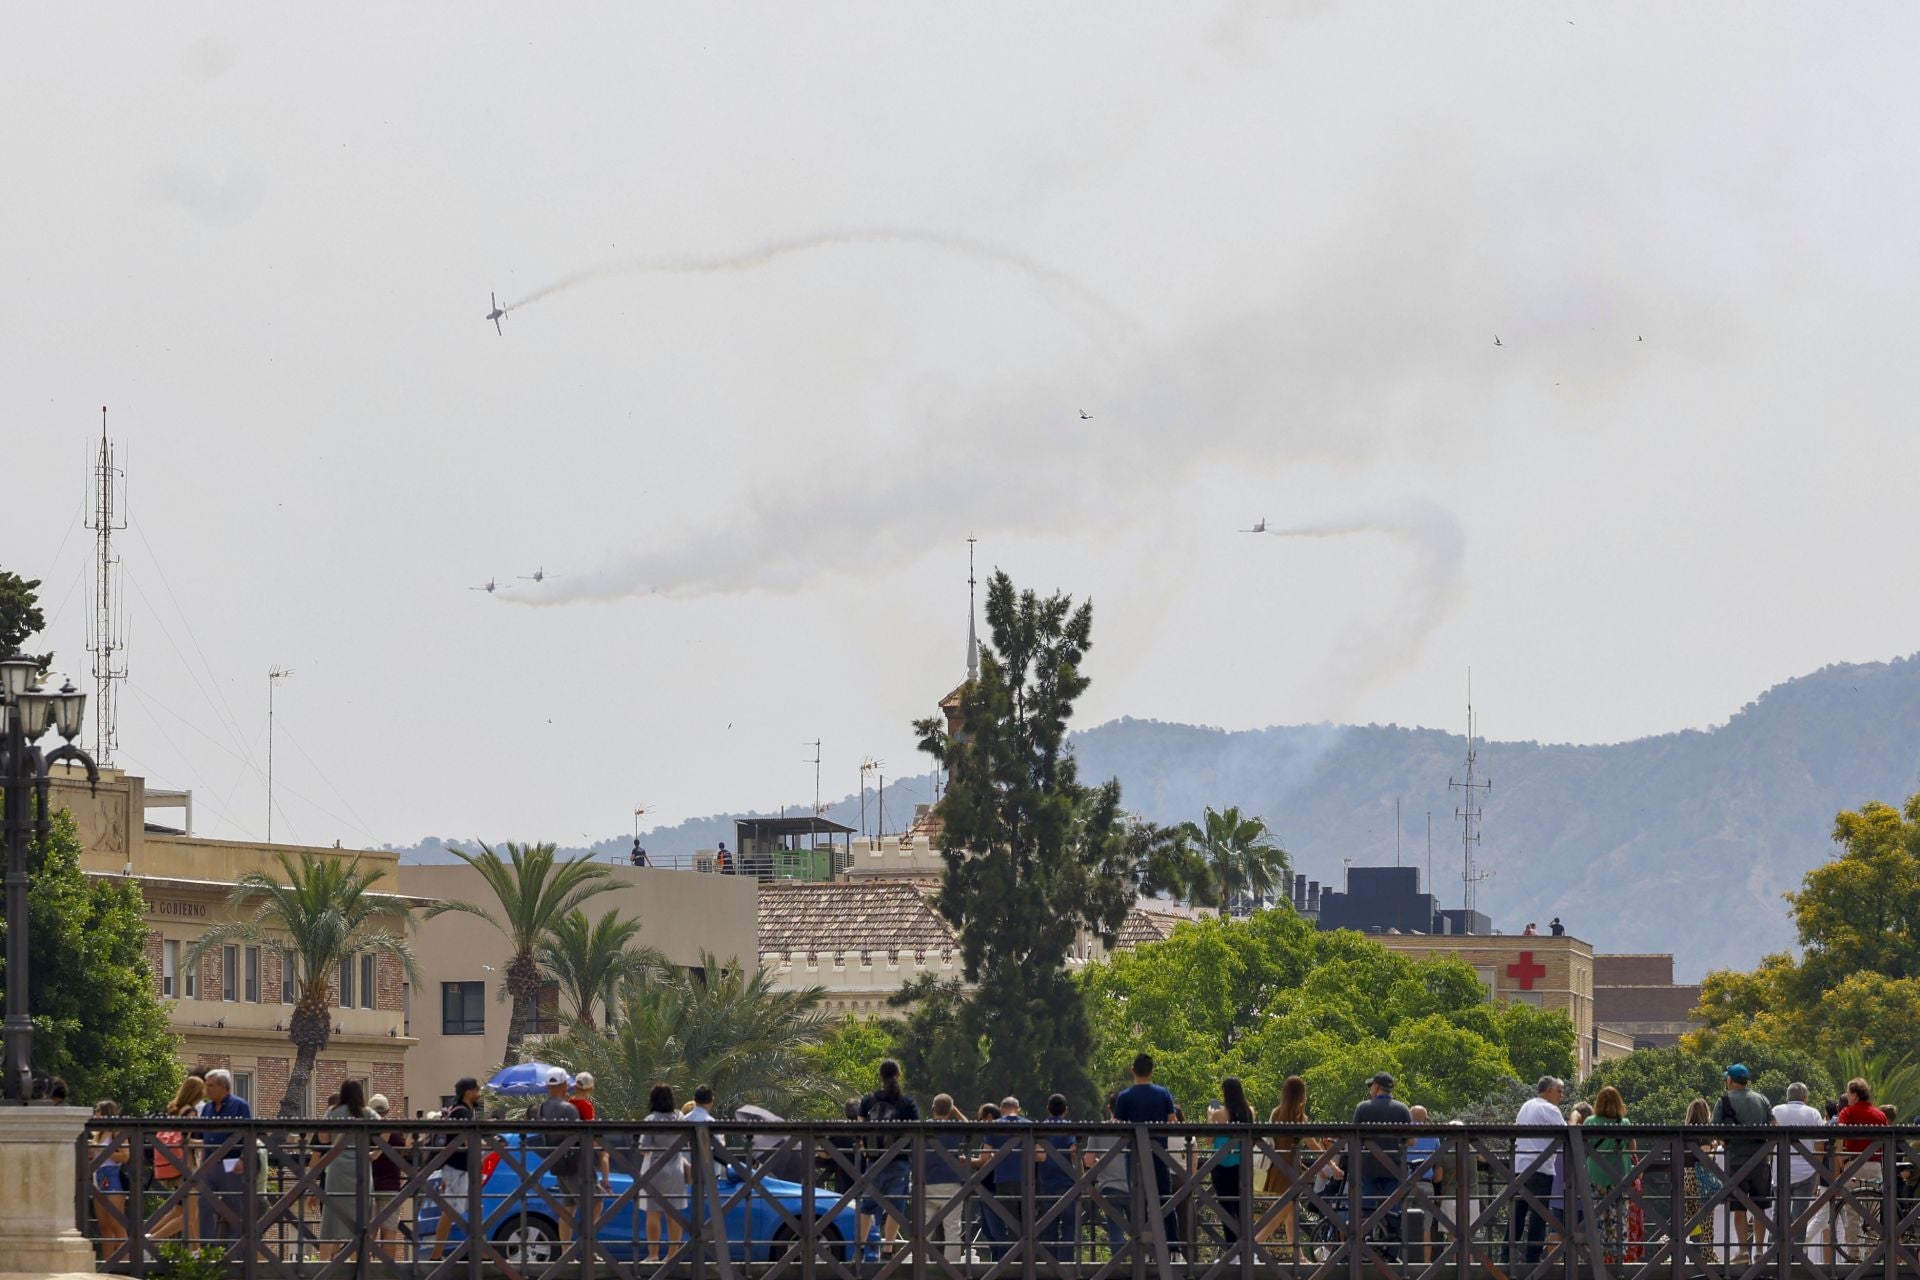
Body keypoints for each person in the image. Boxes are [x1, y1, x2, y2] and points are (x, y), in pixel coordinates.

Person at [1113, 1053, 1182, 1251]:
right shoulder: (1163, 1094)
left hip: (1134, 1156)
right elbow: (1172, 1122)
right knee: (1164, 1201)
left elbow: (1117, 1127)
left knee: (1138, 1203)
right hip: (1158, 1154)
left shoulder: (1124, 1097)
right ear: (1152, 1072)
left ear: (1132, 1070)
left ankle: (1143, 1249)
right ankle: (1173, 1248)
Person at [1257, 1075, 1329, 1250]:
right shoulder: (1299, 1117)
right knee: (1286, 1210)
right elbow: (1312, 1144)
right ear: (1301, 1095)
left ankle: (1297, 1254)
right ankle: (1257, 1241)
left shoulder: (1276, 1113)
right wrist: (1330, 1165)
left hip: (1275, 1166)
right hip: (1290, 1169)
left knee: (1289, 1211)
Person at [857, 1060, 920, 1255]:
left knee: (866, 1206)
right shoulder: (907, 1103)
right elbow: (915, 1131)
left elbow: (859, 1130)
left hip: (874, 1161)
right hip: (900, 1161)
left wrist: (865, 1151)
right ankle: (888, 1249)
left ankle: (860, 1247)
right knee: (896, 1207)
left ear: (880, 1076)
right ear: (899, 1075)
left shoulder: (868, 1101)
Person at [1715, 1064, 1773, 1259]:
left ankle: (1743, 1249)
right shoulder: (1762, 1099)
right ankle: (1758, 1250)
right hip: (1761, 1161)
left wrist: (1728, 1141)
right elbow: (1774, 1126)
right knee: (1760, 1208)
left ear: (1730, 1080)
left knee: (1738, 1208)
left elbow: (1715, 1130)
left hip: (1737, 1161)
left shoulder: (1723, 1101)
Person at [1509, 1075, 1566, 1267]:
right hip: (1540, 1168)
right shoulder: (1550, 1109)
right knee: (1538, 1216)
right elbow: (1566, 1135)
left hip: (1520, 1166)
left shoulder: (1526, 1106)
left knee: (1518, 1213)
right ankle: (1532, 1260)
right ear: (1548, 1091)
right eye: (1559, 1091)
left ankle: (1506, 1255)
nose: (1561, 1095)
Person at [320, 1080, 376, 1260]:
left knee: (331, 1218)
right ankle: (359, 1267)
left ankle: (322, 1267)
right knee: (360, 1220)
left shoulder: (333, 1112)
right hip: (361, 1168)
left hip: (337, 1168)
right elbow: (386, 1130)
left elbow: (323, 1138)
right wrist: (376, 1152)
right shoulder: (367, 1113)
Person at [530, 1067, 586, 1244]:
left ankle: (566, 1252)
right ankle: (589, 1248)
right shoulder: (569, 1109)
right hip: (574, 1163)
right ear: (563, 1085)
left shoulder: (542, 1109)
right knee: (593, 1203)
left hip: (557, 1164)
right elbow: (580, 1136)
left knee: (568, 1207)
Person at [1835, 1076, 1888, 1261]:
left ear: (1855, 1095)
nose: (1847, 1097)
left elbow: (1839, 1137)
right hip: (1875, 1166)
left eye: (1849, 1093)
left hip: (1854, 1166)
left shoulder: (1847, 1112)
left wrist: (1841, 1161)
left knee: (1852, 1213)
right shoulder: (1880, 1115)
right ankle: (1873, 1255)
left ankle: (1854, 1255)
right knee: (1874, 1210)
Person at [1352, 1072, 1413, 1234]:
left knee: (1366, 1211)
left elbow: (1354, 1139)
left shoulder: (1363, 1108)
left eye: (1371, 1086)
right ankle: (1391, 1251)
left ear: (1377, 1087)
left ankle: (1366, 1248)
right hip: (1394, 1168)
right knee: (1393, 1211)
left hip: (1368, 1169)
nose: (1370, 1089)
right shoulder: (1402, 1110)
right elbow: (1412, 1140)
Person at [198, 1068, 253, 1245]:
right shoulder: (207, 1108)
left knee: (234, 1209)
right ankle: (208, 1249)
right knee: (204, 1205)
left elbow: (248, 1135)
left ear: (223, 1086)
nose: (207, 1090)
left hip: (232, 1163)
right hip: (209, 1164)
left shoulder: (239, 1105)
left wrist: (244, 1160)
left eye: (211, 1086)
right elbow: (202, 1136)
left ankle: (234, 1252)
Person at [430, 1077, 482, 1260]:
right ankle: (436, 1254)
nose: (479, 1094)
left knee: (473, 1208)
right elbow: (467, 1140)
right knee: (450, 1211)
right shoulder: (463, 1113)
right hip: (458, 1169)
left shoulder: (457, 1110)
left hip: (456, 1168)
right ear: (469, 1092)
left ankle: (479, 1250)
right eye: (477, 1090)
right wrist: (488, 1145)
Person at [1772, 1082, 1826, 1260]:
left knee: (1779, 1214)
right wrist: (1816, 1173)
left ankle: (1775, 1255)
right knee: (1800, 1216)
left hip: (1780, 1171)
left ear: (1787, 1097)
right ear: (1805, 1097)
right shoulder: (1813, 1113)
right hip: (1806, 1170)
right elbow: (1820, 1146)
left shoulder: (1776, 1111)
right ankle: (1796, 1257)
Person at [975, 1097, 1032, 1262]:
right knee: (1026, 1224)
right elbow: (1041, 1156)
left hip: (1003, 1180)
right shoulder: (1029, 1124)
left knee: (1010, 1224)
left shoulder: (994, 1127)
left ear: (1001, 1109)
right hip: (1027, 1182)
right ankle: (1026, 1263)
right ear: (1018, 1109)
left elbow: (985, 1158)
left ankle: (1013, 1265)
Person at [1585, 1086, 1635, 1262]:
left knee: (1596, 1220)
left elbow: (1584, 1148)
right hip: (1618, 1179)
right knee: (1618, 1220)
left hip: (1594, 1177)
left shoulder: (1590, 1122)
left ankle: (1594, 1259)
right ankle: (1617, 1262)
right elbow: (1632, 1147)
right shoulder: (1625, 1123)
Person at [639, 1084, 688, 1263]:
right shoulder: (680, 1117)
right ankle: (672, 1255)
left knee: (653, 1213)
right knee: (673, 1213)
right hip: (676, 1169)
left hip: (654, 1169)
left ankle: (653, 1255)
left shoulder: (651, 1119)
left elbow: (644, 1149)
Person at [1209, 1079, 1254, 1247]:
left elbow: (1209, 1140)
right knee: (1243, 1209)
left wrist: (1209, 1117)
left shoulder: (1218, 1114)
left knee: (1226, 1209)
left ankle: (1232, 1248)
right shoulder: (1249, 1112)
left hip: (1222, 1166)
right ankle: (1247, 1248)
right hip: (1242, 1165)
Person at [924, 1094, 968, 1262]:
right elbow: (968, 1125)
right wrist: (954, 1110)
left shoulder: (924, 1126)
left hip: (927, 1181)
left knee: (924, 1230)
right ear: (950, 1110)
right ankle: (952, 1269)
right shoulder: (954, 1127)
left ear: (933, 1109)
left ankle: (923, 1265)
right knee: (952, 1230)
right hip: (951, 1180)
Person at [367, 1093, 409, 1260]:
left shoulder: (365, 1130)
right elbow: (406, 1151)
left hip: (368, 1184)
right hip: (390, 1184)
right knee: (389, 1232)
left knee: (368, 1231)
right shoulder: (396, 1132)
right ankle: (387, 1272)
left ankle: (366, 1271)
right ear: (388, 1110)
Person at [1039, 1094, 1080, 1261]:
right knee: (1069, 1226)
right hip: (1067, 1183)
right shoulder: (1068, 1128)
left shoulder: (1041, 1128)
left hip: (1046, 1183)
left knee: (1049, 1227)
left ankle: (1050, 1266)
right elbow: (1074, 1150)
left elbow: (1038, 1155)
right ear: (1066, 1110)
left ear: (1048, 1109)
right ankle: (1067, 1264)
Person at [1681, 1097, 1722, 1265]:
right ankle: (1707, 1255)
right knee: (1705, 1218)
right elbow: (1704, 1155)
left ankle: (1666, 1243)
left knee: (1686, 1217)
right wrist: (1713, 1147)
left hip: (1685, 1175)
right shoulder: (1705, 1132)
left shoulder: (1683, 1131)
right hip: (1699, 1177)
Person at [91, 1100, 130, 1260]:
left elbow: (125, 1156)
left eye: (97, 1111)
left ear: (104, 1113)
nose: (95, 1114)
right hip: (98, 1178)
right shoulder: (98, 1135)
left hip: (112, 1176)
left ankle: (125, 1262)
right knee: (104, 1225)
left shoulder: (116, 1132)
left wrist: (103, 1152)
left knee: (117, 1223)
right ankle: (108, 1264)